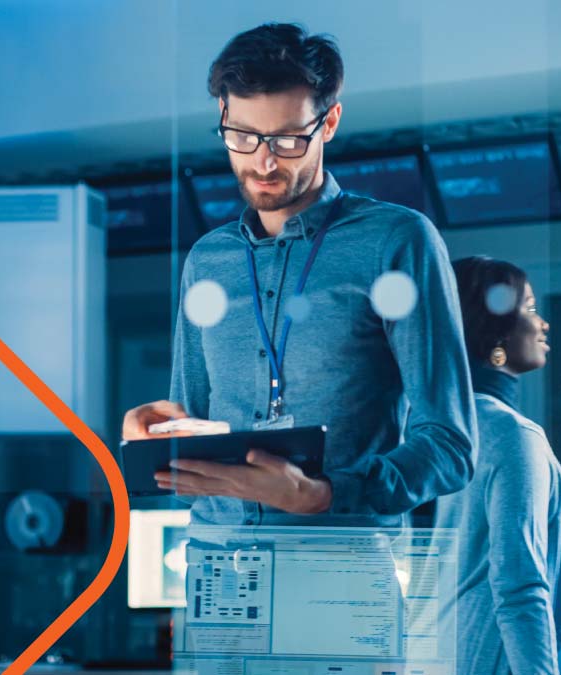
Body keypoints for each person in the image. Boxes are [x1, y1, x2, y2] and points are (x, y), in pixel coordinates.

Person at [122, 23, 475, 526]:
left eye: (288, 140)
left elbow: (450, 445)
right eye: (243, 136)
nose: (263, 161)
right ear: (223, 116)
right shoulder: (206, 260)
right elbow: (191, 442)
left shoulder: (396, 241)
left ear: (328, 122)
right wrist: (157, 437)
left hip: (340, 568)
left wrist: (324, 493)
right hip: (219, 567)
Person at [435, 257, 561, 675]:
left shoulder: (439, 426)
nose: (543, 324)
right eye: (528, 308)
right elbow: (520, 591)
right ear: (496, 330)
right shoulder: (511, 435)